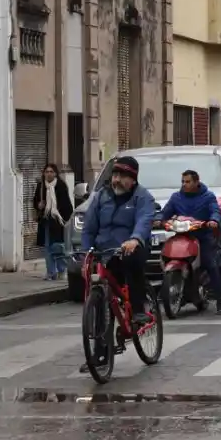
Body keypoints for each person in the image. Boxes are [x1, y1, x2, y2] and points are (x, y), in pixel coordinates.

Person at [79, 156, 155, 373]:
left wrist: (135, 239)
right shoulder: (101, 197)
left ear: (132, 179)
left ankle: (139, 309)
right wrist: (86, 251)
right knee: (101, 298)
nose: (116, 180)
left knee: (132, 260)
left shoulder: (143, 197)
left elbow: (144, 220)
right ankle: (99, 355)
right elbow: (89, 228)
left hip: (130, 248)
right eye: (114, 175)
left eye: (122, 176)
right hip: (105, 252)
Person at [159, 170, 221, 315]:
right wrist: (158, 219)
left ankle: (220, 299)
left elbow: (215, 210)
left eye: (188, 182)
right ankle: (169, 288)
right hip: (181, 235)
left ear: (196, 182)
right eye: (183, 181)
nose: (184, 184)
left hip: (202, 236)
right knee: (165, 254)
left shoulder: (208, 197)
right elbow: (165, 212)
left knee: (210, 264)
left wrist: (213, 221)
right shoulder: (176, 197)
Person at [34, 163, 73, 281]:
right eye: (47, 171)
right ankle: (51, 272)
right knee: (47, 247)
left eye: (51, 171)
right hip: (46, 220)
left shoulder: (61, 186)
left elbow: (67, 205)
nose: (49, 174)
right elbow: (35, 201)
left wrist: (63, 219)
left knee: (58, 247)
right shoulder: (41, 186)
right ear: (44, 173)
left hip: (58, 221)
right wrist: (38, 205)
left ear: (55, 173)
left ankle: (61, 270)